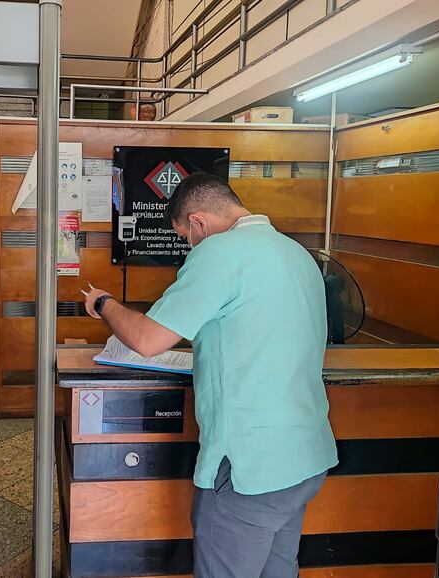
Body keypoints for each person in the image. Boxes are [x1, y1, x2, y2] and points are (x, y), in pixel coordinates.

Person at [83, 172, 338, 578]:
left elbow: (148, 339)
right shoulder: (296, 253)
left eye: (186, 236)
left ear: (198, 222)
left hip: (248, 467)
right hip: (303, 458)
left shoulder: (221, 253)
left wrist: (105, 304)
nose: (189, 246)